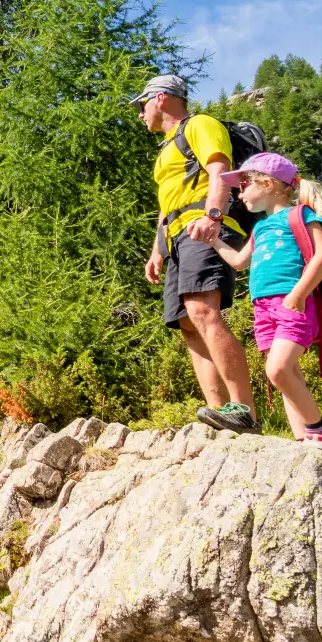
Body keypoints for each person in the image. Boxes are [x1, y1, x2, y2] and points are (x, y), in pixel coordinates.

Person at [130, 74, 258, 433]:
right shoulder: (166, 148)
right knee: (188, 323)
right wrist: (157, 249)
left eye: (142, 105)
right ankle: (218, 414)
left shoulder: (200, 125)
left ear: (161, 98)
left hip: (203, 229)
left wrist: (214, 216)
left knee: (203, 311)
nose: (140, 114)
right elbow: (166, 203)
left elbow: (220, 170)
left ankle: (244, 411)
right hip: (176, 238)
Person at [206, 153, 322, 458]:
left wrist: (297, 293)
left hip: (292, 302)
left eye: (244, 185)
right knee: (286, 374)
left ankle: (321, 433)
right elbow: (239, 263)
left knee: (278, 369)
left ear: (268, 184)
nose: (239, 193)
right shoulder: (259, 229)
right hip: (263, 309)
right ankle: (304, 445)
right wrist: (215, 241)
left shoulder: (301, 215)